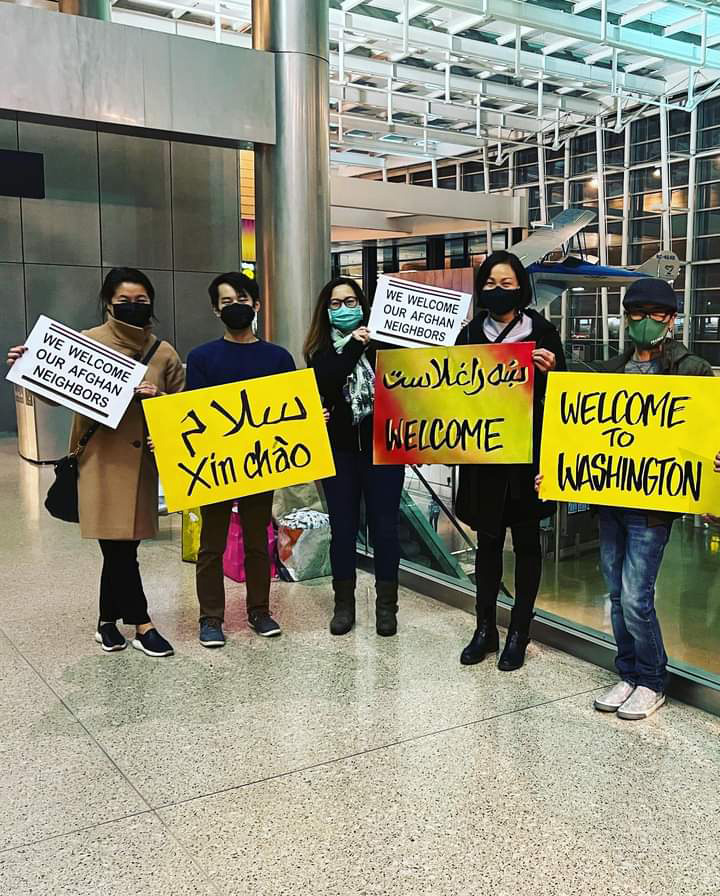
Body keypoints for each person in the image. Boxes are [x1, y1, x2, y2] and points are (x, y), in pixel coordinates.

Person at [7, 268, 185, 657]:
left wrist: (157, 398)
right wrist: (30, 368)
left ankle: (106, 623)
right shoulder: (85, 344)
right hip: (100, 462)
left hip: (141, 466)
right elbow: (55, 396)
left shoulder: (164, 352)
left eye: (142, 301)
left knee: (127, 547)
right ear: (108, 302)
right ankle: (142, 623)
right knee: (117, 548)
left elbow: (181, 409)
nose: (133, 307)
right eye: (124, 301)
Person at [590, 278, 714, 720]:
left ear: (671, 319)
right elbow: (579, 435)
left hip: (653, 505)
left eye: (654, 314)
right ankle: (628, 672)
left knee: (636, 595)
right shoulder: (606, 372)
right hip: (609, 499)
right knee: (616, 594)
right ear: (625, 318)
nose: (644, 321)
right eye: (636, 313)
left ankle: (652, 680)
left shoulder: (691, 371)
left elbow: (705, 433)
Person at [454, 250, 566, 672]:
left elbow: (564, 397)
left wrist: (553, 370)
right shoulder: (468, 335)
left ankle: (521, 629)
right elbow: (448, 393)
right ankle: (485, 628)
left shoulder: (542, 331)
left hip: (527, 457)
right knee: (486, 544)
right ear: (480, 287)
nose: (498, 291)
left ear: (521, 286)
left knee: (526, 542)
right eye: (490, 284)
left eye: (507, 284)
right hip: (483, 457)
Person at [186, 272, 295, 648]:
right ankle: (210, 618)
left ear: (257, 305)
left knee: (256, 541)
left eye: (242, 300)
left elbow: (290, 410)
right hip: (215, 467)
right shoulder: (201, 358)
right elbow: (194, 415)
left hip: (260, 465)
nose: (236, 307)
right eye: (227, 302)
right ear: (216, 310)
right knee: (211, 545)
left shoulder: (279, 358)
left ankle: (260, 611)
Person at [305, 277, 405, 637]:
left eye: (350, 301)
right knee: (343, 529)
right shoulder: (320, 351)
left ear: (364, 306)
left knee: (386, 530)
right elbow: (326, 381)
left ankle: (386, 607)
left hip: (384, 451)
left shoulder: (386, 345)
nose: (344, 308)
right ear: (326, 311)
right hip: (340, 453)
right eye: (335, 303)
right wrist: (352, 347)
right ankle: (343, 605)